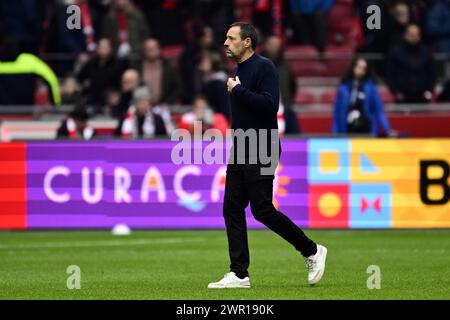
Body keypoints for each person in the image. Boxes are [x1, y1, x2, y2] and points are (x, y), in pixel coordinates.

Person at [207, 22, 327, 289]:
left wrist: (238, 91)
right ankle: (239, 274)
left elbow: (269, 105)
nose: (225, 43)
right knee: (231, 209)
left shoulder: (264, 67)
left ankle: (311, 250)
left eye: (231, 38)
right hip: (241, 147)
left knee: (262, 209)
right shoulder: (238, 70)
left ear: (247, 42)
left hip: (262, 146)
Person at [332, 57, 395, 137]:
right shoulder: (343, 89)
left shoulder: (371, 88)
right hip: (347, 129)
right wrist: (335, 133)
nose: (360, 71)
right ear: (353, 67)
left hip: (366, 129)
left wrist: (387, 129)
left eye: (363, 68)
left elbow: (378, 111)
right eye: (359, 67)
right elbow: (337, 113)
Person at [385, 24, 435, 103]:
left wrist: (429, 90)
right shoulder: (396, 52)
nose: (414, 37)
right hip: (402, 96)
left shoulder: (426, 52)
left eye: (416, 34)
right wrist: (395, 91)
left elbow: (432, 73)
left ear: (420, 36)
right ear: (405, 35)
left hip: (422, 96)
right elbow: (390, 73)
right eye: (411, 34)